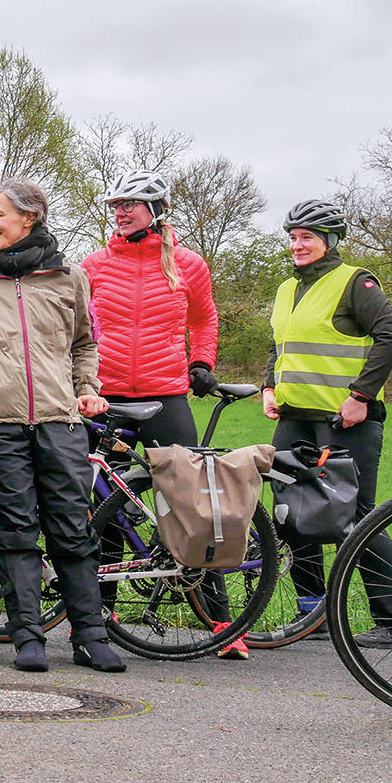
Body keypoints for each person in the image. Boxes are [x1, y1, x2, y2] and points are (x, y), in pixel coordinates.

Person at [0, 178, 125, 673]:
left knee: (72, 528)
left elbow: (84, 344)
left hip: (60, 420)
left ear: (29, 218)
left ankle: (90, 636)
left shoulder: (70, 279)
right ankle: (27, 636)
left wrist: (87, 387)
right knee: (15, 530)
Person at [82, 169, 242, 658]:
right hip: (105, 396)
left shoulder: (188, 264)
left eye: (131, 203)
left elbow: (204, 317)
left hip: (165, 393)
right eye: (116, 204)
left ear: (157, 210)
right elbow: (76, 325)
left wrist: (201, 362)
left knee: (193, 504)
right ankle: (96, 617)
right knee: (99, 504)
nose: (121, 211)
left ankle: (220, 622)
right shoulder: (93, 264)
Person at [263, 199, 392, 648]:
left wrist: (361, 395)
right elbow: (280, 345)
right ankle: (310, 611)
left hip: (345, 420)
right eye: (294, 237)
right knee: (293, 515)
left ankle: (391, 618)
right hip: (295, 419)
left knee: (353, 520)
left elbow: (389, 333)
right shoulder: (285, 289)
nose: (298, 245)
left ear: (330, 241)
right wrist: (267, 385)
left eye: (308, 237)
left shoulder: (355, 282)